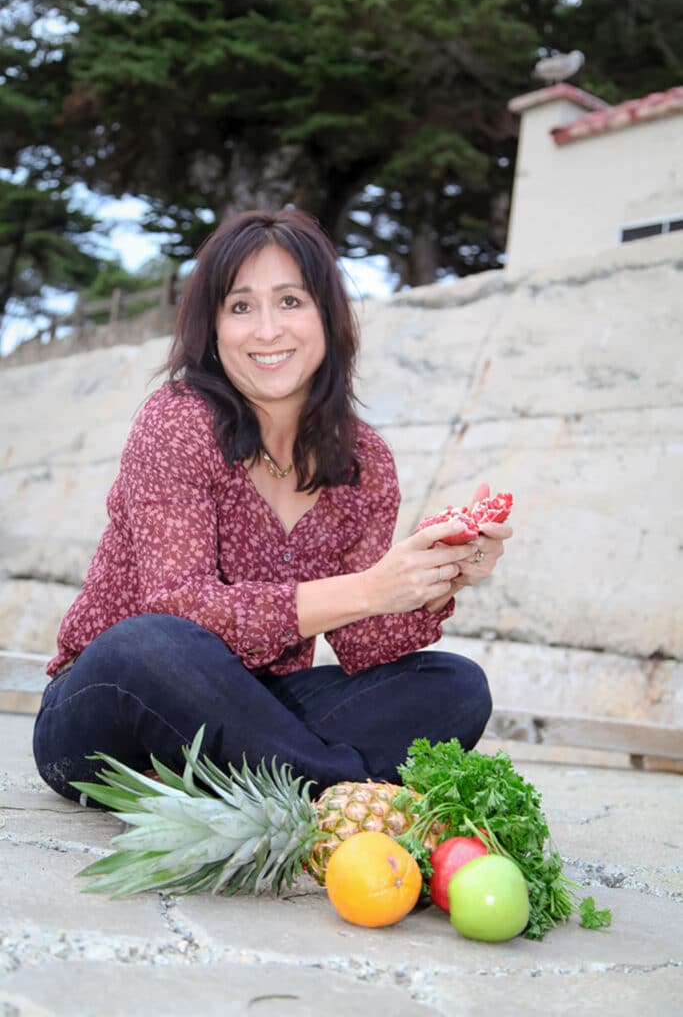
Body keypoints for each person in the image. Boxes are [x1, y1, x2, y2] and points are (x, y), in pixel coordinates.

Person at [32, 208, 512, 804]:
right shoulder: (177, 422)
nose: (267, 330)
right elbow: (179, 604)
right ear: (212, 328)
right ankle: (334, 790)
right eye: (240, 306)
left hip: (257, 712)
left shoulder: (363, 463)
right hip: (115, 707)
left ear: (327, 316)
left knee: (455, 687)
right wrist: (371, 587)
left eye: (290, 301)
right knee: (150, 641)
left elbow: (364, 645)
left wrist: (437, 576)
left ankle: (267, 781)